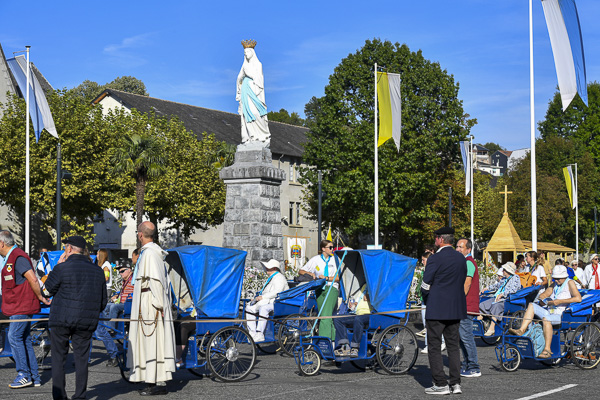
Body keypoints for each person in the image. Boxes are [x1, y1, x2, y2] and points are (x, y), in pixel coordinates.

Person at [45, 236, 107, 400]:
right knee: (82, 359)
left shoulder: (61, 268)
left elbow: (48, 289)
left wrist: (57, 265)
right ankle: (80, 396)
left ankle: (59, 396)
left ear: (70, 248)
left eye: (66, 247)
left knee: (59, 358)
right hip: (86, 320)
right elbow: (103, 302)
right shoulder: (98, 271)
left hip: (61, 319)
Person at [127, 222, 176, 396]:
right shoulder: (153, 253)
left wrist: (158, 305)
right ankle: (151, 379)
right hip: (149, 303)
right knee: (151, 343)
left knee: (152, 343)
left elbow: (156, 283)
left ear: (141, 235)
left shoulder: (149, 255)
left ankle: (156, 382)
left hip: (151, 305)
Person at [0, 230, 50, 389]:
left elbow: (33, 278)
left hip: (21, 305)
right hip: (17, 305)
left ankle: (24, 374)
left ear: (1, 243)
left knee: (14, 337)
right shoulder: (10, 257)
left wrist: (40, 296)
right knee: (24, 339)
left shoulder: (18, 257)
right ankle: (34, 377)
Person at [421, 227, 466, 395]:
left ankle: (440, 383)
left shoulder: (435, 258)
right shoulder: (461, 258)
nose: (434, 241)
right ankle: (455, 383)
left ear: (440, 239)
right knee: (453, 346)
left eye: (435, 238)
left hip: (437, 307)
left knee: (434, 346)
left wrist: (427, 299)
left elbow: (426, 284)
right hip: (455, 307)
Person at [509, 265, 581, 358]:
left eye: (559, 278)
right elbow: (545, 293)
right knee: (531, 305)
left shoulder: (570, 282)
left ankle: (547, 349)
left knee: (546, 319)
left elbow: (578, 298)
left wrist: (560, 301)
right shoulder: (554, 284)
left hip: (561, 314)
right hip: (550, 310)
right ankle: (521, 330)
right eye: (555, 278)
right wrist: (542, 298)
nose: (557, 280)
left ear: (564, 277)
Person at [91, 260, 135, 367]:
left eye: (122, 271)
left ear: (130, 270)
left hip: (129, 304)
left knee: (114, 307)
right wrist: (117, 295)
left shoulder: (133, 280)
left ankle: (110, 329)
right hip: (123, 302)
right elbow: (123, 291)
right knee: (108, 305)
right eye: (119, 272)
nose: (120, 273)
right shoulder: (125, 281)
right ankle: (107, 326)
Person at [298, 239, 340, 340]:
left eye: (332, 247)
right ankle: (334, 340)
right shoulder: (315, 259)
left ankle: (323, 342)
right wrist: (310, 273)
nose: (332, 249)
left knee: (325, 315)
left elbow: (339, 277)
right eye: (330, 247)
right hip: (319, 289)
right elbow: (301, 271)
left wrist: (326, 278)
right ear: (323, 249)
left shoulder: (335, 260)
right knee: (324, 314)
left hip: (331, 287)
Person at [236, 40, 270, 144]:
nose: (245, 54)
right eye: (244, 53)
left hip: (254, 91)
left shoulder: (258, 64)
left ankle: (262, 135)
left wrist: (249, 74)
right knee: (246, 114)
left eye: (247, 52)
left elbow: (259, 78)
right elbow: (239, 77)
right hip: (245, 91)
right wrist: (240, 78)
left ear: (252, 52)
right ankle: (249, 137)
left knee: (256, 113)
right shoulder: (244, 65)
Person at [455, 238, 481, 378]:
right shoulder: (465, 262)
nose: (458, 249)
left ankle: (474, 366)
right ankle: (466, 364)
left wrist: (458, 298)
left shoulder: (469, 263)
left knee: (466, 336)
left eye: (461, 247)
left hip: (467, 306)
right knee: (462, 337)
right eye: (457, 246)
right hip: (463, 306)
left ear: (468, 249)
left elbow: (467, 282)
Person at [246, 259, 289, 342]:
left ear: (274, 268)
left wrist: (262, 297)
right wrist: (258, 297)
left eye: (269, 267)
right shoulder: (272, 277)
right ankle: (252, 333)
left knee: (264, 308)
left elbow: (277, 292)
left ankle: (260, 333)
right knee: (249, 308)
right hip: (269, 301)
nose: (266, 269)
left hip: (279, 303)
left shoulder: (279, 278)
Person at [478, 262, 521, 336]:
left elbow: (514, 290)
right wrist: (486, 288)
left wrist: (503, 294)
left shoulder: (515, 278)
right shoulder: (504, 279)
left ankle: (492, 328)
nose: (502, 271)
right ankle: (480, 323)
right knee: (482, 304)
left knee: (497, 306)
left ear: (507, 271)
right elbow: (496, 286)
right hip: (497, 297)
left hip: (507, 299)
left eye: (504, 269)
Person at [418, 251, 446, 354]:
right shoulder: (424, 271)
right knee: (426, 325)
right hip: (424, 300)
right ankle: (428, 344)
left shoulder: (433, 270)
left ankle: (441, 342)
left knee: (435, 324)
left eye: (423, 260)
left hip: (431, 300)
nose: (422, 262)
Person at [333, 284, 372, 358]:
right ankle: (345, 346)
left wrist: (370, 298)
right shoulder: (364, 286)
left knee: (359, 319)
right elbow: (359, 300)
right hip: (357, 313)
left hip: (370, 314)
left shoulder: (377, 286)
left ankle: (355, 348)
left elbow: (381, 299)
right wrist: (353, 304)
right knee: (337, 319)